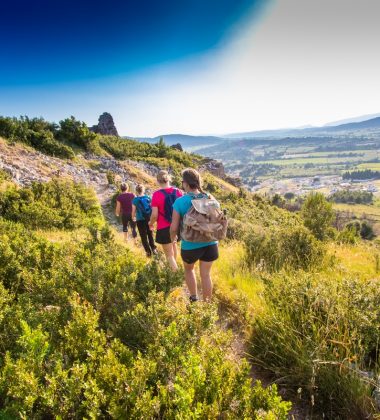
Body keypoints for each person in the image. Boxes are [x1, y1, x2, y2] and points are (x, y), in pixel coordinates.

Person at [170, 168, 219, 302]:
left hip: (190, 245)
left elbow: (174, 227)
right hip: (210, 243)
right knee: (206, 275)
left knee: (189, 270)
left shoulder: (180, 202)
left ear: (185, 183)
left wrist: (172, 238)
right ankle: (207, 306)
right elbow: (217, 218)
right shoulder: (210, 197)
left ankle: (194, 299)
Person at [149, 170, 183, 271]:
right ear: (168, 178)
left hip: (164, 227)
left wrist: (150, 223)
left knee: (168, 254)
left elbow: (154, 215)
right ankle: (175, 268)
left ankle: (175, 274)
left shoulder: (156, 195)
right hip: (177, 226)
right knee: (174, 245)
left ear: (158, 181)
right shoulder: (178, 192)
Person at [132, 184, 157, 257]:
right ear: (143, 190)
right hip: (149, 219)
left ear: (136, 191)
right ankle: (153, 248)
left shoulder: (135, 200)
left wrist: (133, 218)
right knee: (150, 234)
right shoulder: (148, 198)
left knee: (143, 236)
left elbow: (133, 211)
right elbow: (152, 208)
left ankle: (148, 252)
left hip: (140, 220)